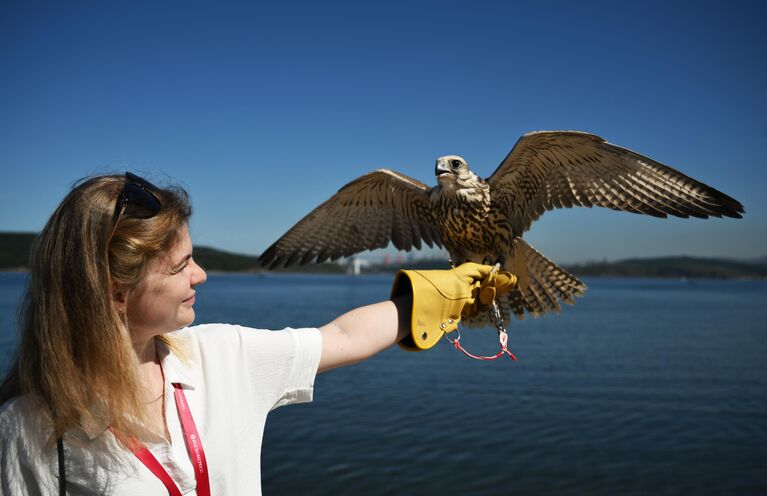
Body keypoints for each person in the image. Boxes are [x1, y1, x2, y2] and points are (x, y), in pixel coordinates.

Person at [0, 172, 514, 495]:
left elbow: (343, 338)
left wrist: (438, 292)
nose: (200, 275)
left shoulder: (221, 355)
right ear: (114, 292)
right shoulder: (28, 430)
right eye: (181, 266)